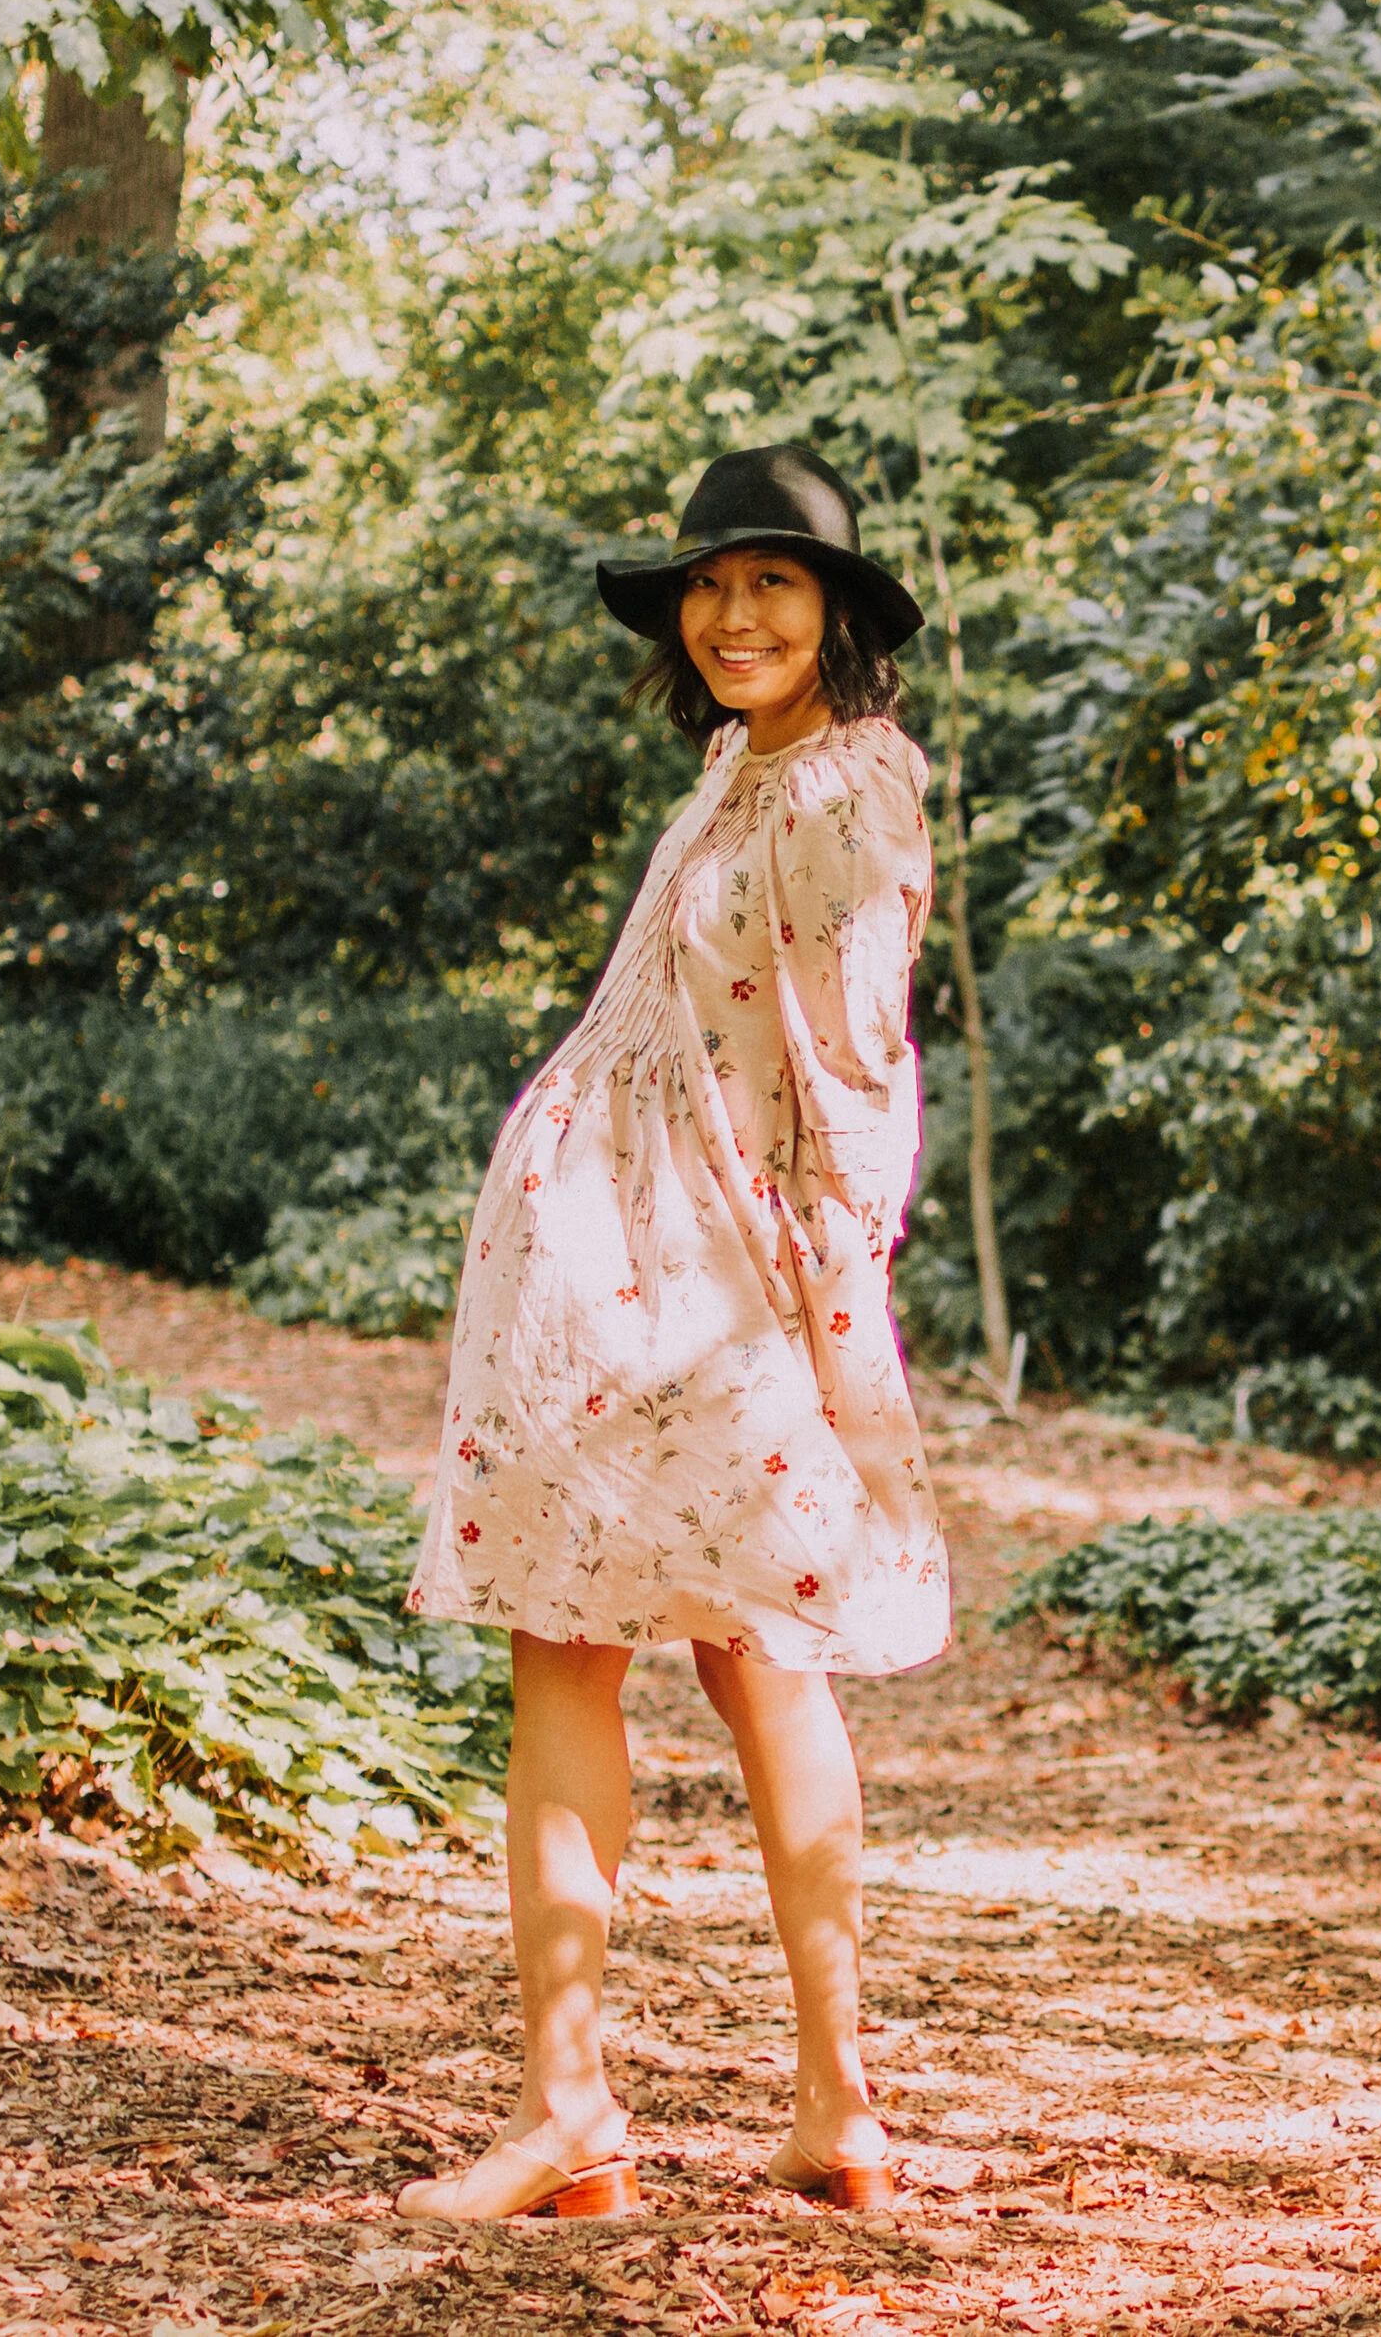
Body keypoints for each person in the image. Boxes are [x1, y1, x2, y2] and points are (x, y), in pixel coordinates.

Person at [398, 445, 948, 2223]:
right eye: (711, 587)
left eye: (774, 583)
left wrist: (833, 1289)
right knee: (591, 1652)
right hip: (603, 1268)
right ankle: (608, 2108)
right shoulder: (738, 770)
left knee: (751, 1657)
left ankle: (822, 2099)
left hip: (710, 1276)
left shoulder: (847, 786)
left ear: (841, 613)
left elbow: (860, 1071)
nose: (731, 616)